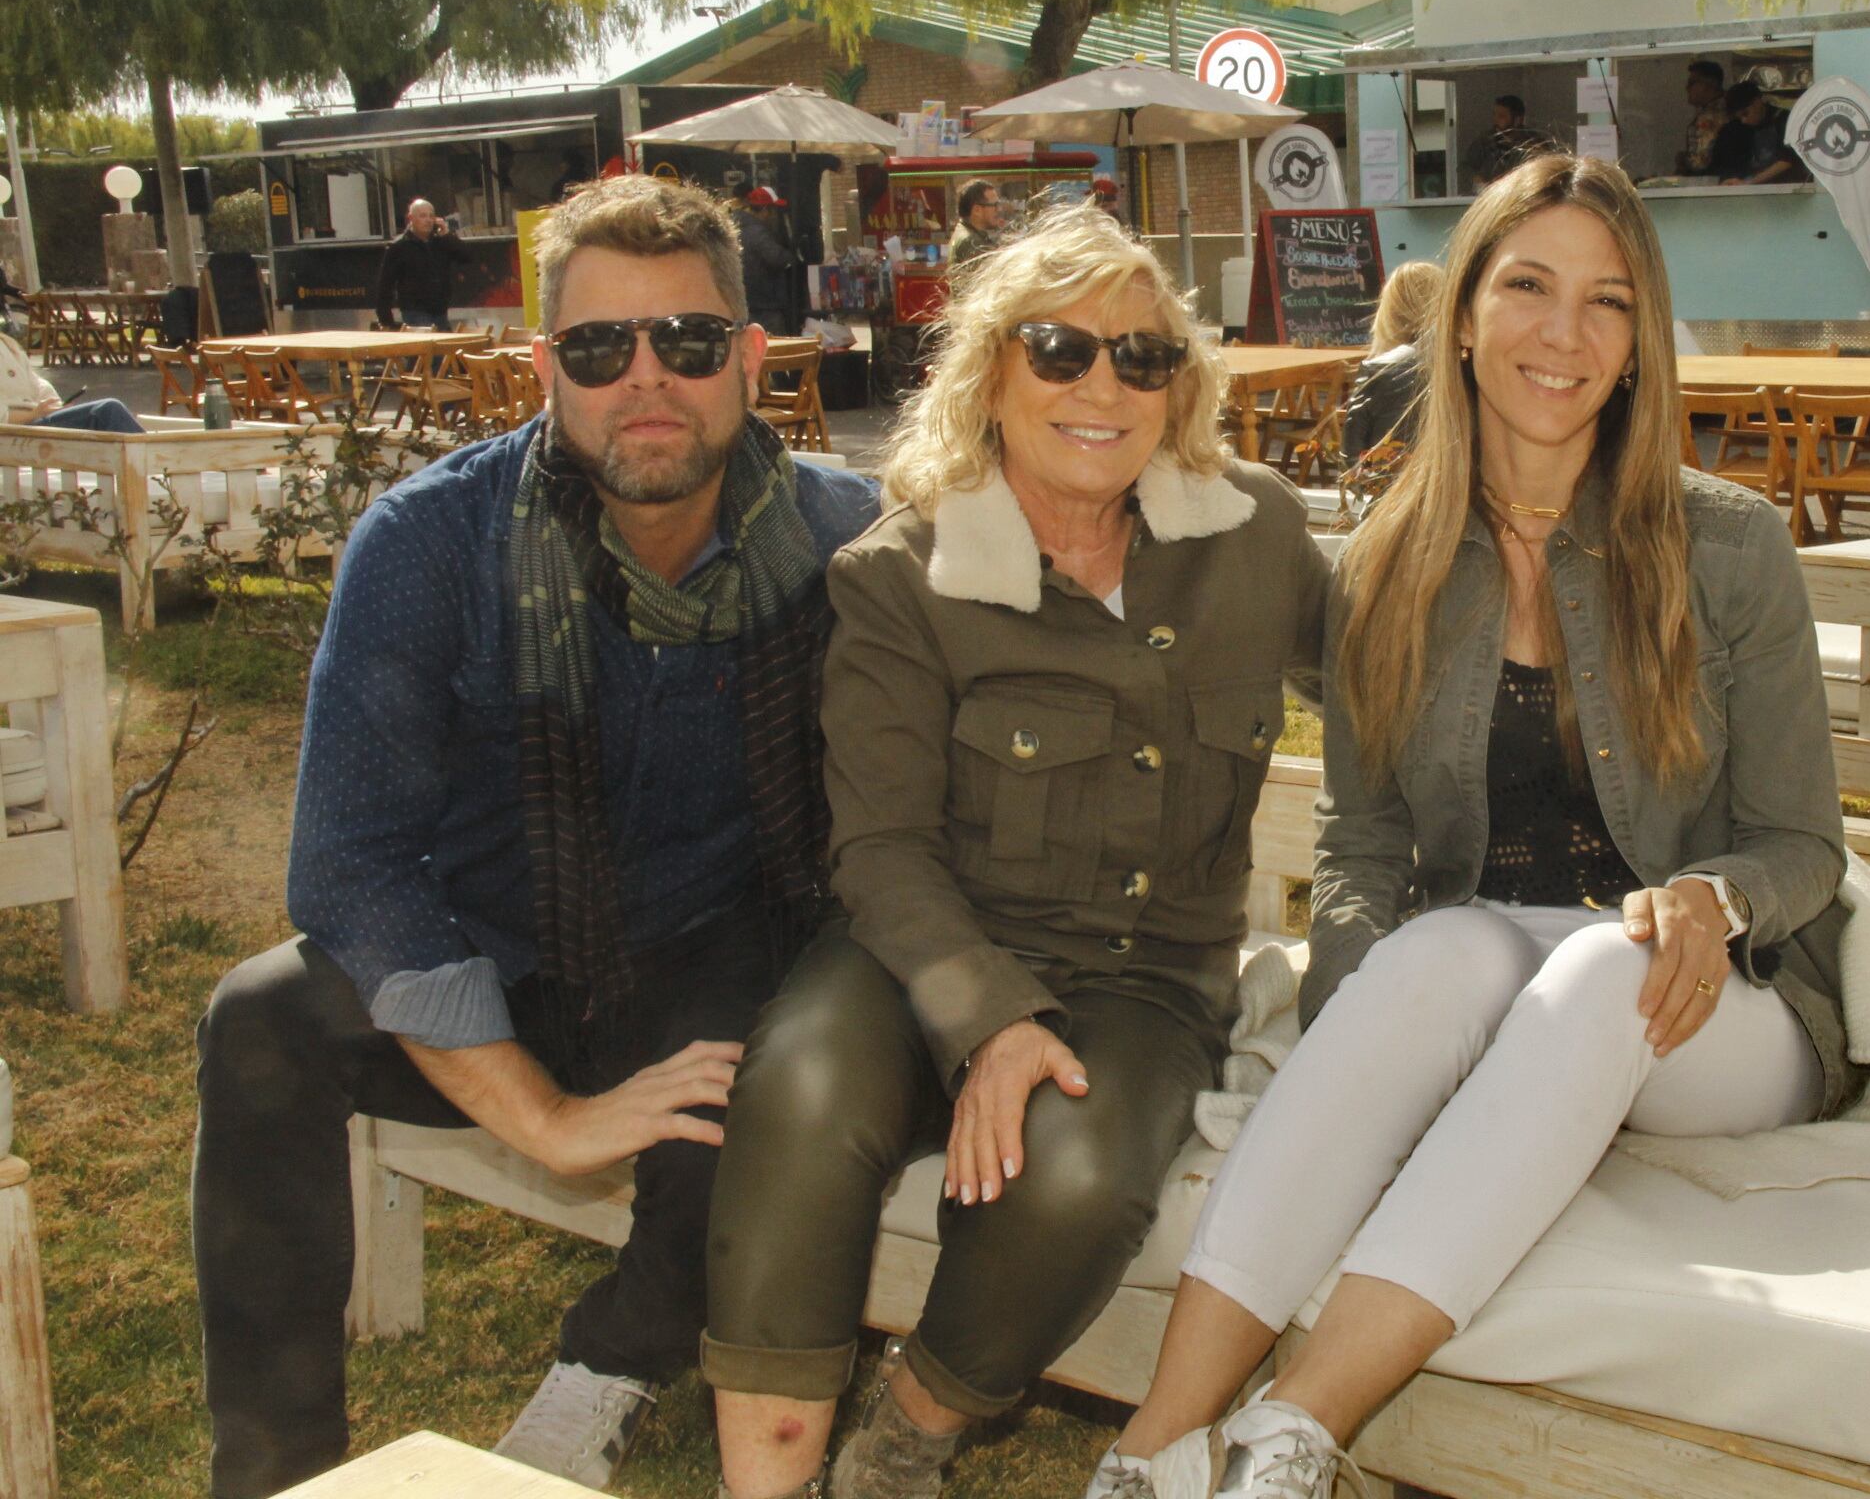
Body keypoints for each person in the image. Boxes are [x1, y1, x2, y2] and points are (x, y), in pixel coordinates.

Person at [1095, 154, 1854, 1498]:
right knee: (1432, 953)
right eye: (1528, 287)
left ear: (1638, 344)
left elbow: (1803, 843)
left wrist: (1712, 900)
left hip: (1705, 1009)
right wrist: (1357, 1023)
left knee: (1600, 960)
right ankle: (1156, 1450)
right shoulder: (1390, 560)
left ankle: (1294, 1433)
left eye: (1607, 303)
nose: (1564, 334)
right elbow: (1364, 848)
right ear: (1459, 319)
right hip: (1491, 987)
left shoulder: (1731, 547)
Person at [192, 175, 877, 1499]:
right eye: (597, 348)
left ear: (749, 359)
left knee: (769, 1075)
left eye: (686, 343)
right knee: (259, 1019)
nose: (646, 382)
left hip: (713, 952)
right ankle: (274, 1472)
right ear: (540, 369)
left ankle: (612, 1361)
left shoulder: (844, 543)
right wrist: (547, 1116)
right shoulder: (435, 547)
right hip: (490, 950)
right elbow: (351, 867)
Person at [700, 202, 1329, 1499]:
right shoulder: (903, 575)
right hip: (924, 946)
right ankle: (763, 1483)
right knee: (805, 1091)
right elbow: (877, 848)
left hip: (1144, 977)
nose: (1104, 386)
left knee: (1081, 1174)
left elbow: (1394, 686)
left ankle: (905, 1440)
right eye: (1060, 351)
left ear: (1180, 386)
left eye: (1143, 359)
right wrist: (991, 1023)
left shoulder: (1254, 535)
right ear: (991, 370)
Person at [1338, 261, 1446, 490]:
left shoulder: (1378, 370)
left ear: (1388, 312)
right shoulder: (1470, 363)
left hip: (1390, 502)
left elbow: (1352, 469)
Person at [0, 326, 142, 431]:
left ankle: (155, 466)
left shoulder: (7, 345)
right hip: (19, 432)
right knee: (107, 410)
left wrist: (56, 406)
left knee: (110, 413)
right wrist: (34, 413)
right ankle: (157, 466)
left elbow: (37, 384)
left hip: (36, 423)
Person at [372, 197, 477, 330]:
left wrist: (447, 235)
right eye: (422, 216)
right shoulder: (399, 247)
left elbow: (467, 257)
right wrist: (386, 320)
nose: (428, 220)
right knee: (428, 349)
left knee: (445, 348)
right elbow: (385, 285)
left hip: (440, 311)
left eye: (431, 216)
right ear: (411, 218)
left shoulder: (441, 242)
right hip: (414, 313)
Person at [735, 186, 803, 337]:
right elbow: (776, 258)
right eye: (773, 210)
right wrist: (792, 257)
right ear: (765, 209)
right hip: (765, 304)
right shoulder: (758, 232)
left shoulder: (736, 226)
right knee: (776, 348)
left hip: (745, 301)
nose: (774, 216)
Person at [1462, 95, 1554, 188]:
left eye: (1502, 116)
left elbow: (1547, 170)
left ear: (1517, 120)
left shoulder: (1534, 143)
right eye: (1494, 115)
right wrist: (1476, 179)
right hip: (1493, 195)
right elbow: (1465, 167)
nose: (1496, 120)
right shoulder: (1485, 140)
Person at [1717, 80, 1799, 185]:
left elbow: (1787, 160)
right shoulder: (1737, 127)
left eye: (1745, 114)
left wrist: (1749, 183)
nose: (1744, 120)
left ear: (1757, 102)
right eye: (1739, 117)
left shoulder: (1784, 119)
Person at [1673, 59, 1734, 179]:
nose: (1687, 88)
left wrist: (1682, 160)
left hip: (1711, 182)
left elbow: (1700, 162)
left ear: (1709, 84)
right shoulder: (1727, 107)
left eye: (1692, 83)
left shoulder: (1711, 116)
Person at [948, 179, 1008, 271]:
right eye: (994, 205)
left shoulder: (965, 232)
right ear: (977, 210)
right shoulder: (970, 241)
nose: (998, 209)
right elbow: (995, 275)